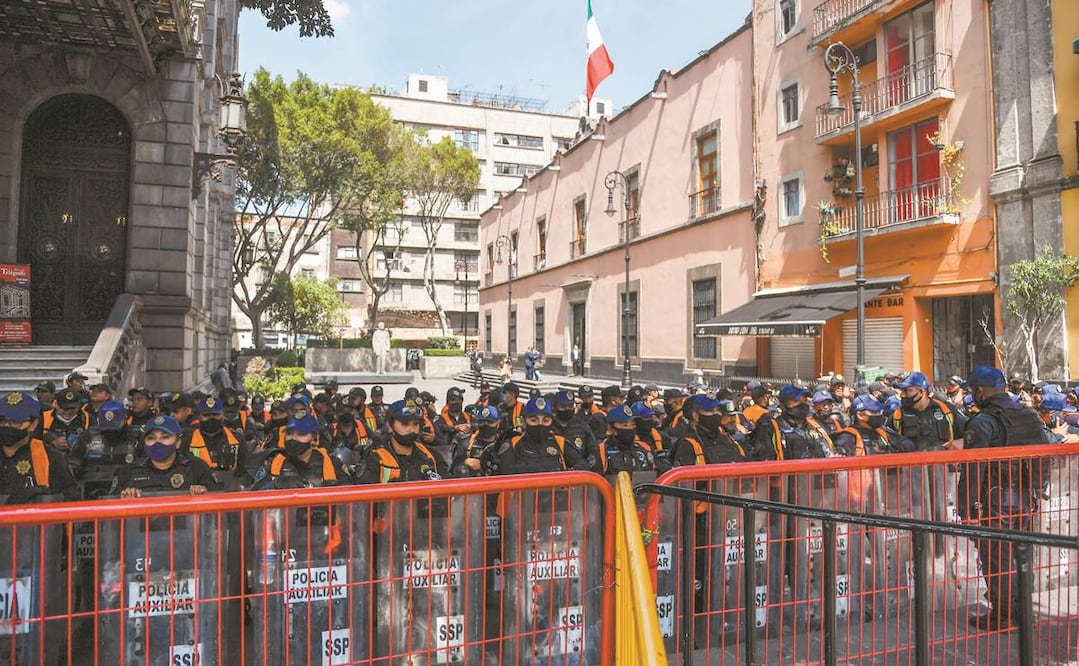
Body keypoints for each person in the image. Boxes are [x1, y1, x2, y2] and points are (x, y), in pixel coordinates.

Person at [959, 365, 1051, 629]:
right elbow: (1045, 454)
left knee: (997, 557)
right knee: (1020, 556)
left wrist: (967, 509)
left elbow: (973, 469)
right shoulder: (1028, 415)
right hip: (1026, 496)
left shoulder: (983, 421)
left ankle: (1002, 615)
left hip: (997, 499)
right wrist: (1037, 490)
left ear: (978, 391)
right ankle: (1021, 611)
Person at [112, 415, 218, 498]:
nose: (157, 442)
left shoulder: (196, 467)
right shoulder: (128, 472)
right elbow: (110, 505)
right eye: (151, 438)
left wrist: (203, 493)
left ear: (177, 442)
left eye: (165, 437)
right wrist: (125, 498)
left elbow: (217, 502)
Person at [0, 391, 78, 503]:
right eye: (2, 421)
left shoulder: (52, 458)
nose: (6, 426)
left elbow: (71, 499)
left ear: (33, 424)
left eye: (14, 422)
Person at [487, 397, 590, 475]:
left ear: (551, 422)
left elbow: (583, 465)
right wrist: (549, 471)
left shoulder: (559, 443)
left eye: (545, 420)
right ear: (523, 422)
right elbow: (506, 470)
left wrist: (566, 474)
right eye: (533, 420)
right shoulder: (512, 444)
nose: (540, 424)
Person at [352, 399, 445, 483]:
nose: (411, 429)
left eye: (415, 424)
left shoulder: (431, 456)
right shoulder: (376, 460)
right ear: (389, 426)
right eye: (405, 424)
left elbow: (451, 489)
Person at [69, 400, 144, 499]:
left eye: (114, 429)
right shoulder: (87, 437)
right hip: (91, 492)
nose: (111, 433)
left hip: (128, 491)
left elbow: (145, 466)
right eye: (107, 429)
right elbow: (74, 465)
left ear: (125, 419)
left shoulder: (138, 436)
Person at [250, 414, 348, 489]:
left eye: (301, 434)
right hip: (287, 515)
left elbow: (352, 497)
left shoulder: (332, 464)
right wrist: (276, 484)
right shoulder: (273, 464)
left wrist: (334, 490)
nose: (293, 439)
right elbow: (253, 495)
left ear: (314, 438)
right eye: (289, 433)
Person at [750, 384, 835, 461]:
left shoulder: (814, 426)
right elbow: (763, 460)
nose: (802, 403)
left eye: (804, 399)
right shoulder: (771, 428)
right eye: (796, 400)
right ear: (782, 405)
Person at [182, 395, 248, 489]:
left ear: (222, 415)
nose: (211, 419)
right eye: (206, 415)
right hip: (197, 491)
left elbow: (244, 470)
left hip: (229, 491)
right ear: (199, 417)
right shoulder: (187, 440)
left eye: (215, 415)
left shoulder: (237, 439)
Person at [670, 394, 747, 467]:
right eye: (710, 411)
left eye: (717, 410)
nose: (716, 414)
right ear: (696, 415)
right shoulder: (688, 445)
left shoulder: (728, 439)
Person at [832, 395, 913, 457]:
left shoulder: (883, 432)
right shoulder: (847, 438)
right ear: (860, 415)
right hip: (863, 478)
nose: (879, 415)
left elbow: (907, 444)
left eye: (879, 411)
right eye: (874, 412)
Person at [594, 404, 657, 477]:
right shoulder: (601, 452)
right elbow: (593, 482)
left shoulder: (645, 448)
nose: (629, 428)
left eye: (633, 425)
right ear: (610, 429)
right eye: (624, 425)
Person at [450, 405, 501, 478]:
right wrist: (464, 463)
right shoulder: (465, 443)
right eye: (481, 422)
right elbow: (453, 470)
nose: (485, 425)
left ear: (498, 423)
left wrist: (482, 465)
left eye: (489, 422)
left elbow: (510, 469)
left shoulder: (505, 444)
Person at [550, 389, 599, 464]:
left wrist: (586, 464)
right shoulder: (549, 426)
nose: (567, 409)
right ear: (555, 407)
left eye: (570, 406)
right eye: (563, 406)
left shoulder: (582, 425)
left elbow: (593, 449)